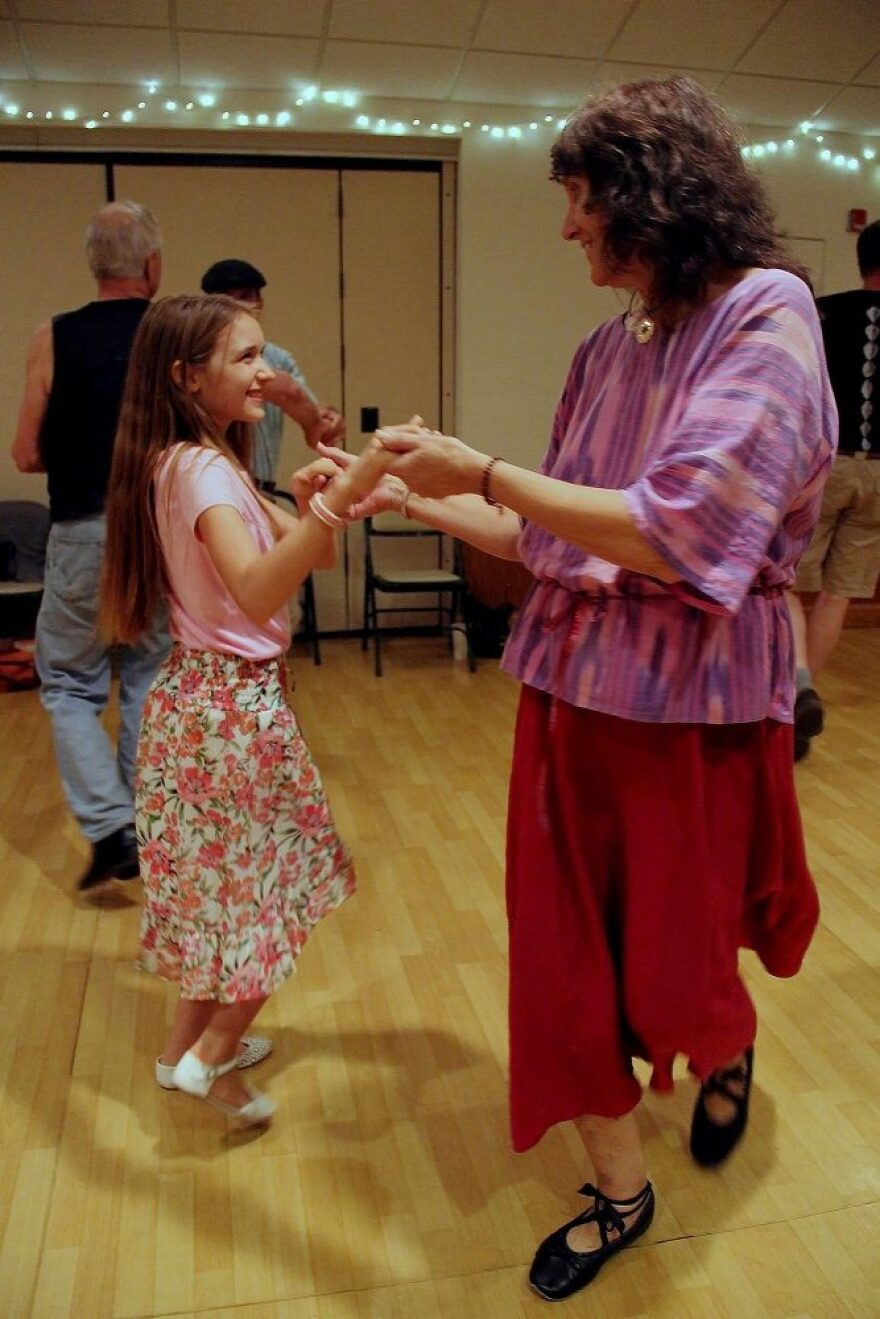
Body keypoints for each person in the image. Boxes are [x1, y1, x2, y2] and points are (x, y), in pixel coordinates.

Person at [357, 76, 836, 1302]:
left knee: (679, 969)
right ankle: (623, 1189)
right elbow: (548, 533)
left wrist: (492, 470)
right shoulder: (604, 344)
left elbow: (679, 529)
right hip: (569, 697)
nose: (567, 226)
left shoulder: (765, 311)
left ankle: (721, 1049)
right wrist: (412, 492)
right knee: (565, 968)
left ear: (649, 196)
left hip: (692, 714)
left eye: (579, 200)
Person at [98, 293, 393, 1125]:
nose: (264, 371)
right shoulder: (196, 469)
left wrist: (312, 498)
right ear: (188, 377)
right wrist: (335, 500)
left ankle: (176, 1056)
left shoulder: (202, 458)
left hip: (210, 708)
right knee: (272, 897)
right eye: (244, 358)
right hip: (229, 717)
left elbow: (299, 553)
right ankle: (211, 1060)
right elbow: (262, 585)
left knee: (226, 898)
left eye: (263, 353)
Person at [10, 201, 171, 890]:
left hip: (79, 530)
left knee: (71, 684)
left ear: (93, 266)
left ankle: (109, 828)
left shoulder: (53, 335)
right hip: (160, 530)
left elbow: (24, 454)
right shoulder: (173, 334)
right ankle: (143, 830)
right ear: (152, 266)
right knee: (147, 676)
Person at [787, 219, 880, 759]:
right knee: (840, 589)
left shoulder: (823, 312)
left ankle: (796, 685)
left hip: (826, 465)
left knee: (787, 584)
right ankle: (806, 694)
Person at [199, 258, 345, 490]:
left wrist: (326, 420)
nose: (238, 306)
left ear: (260, 302)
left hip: (261, 488)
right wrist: (314, 423)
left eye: (245, 296)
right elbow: (289, 392)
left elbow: (303, 402)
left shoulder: (278, 357)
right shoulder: (200, 355)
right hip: (215, 482)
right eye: (227, 299)